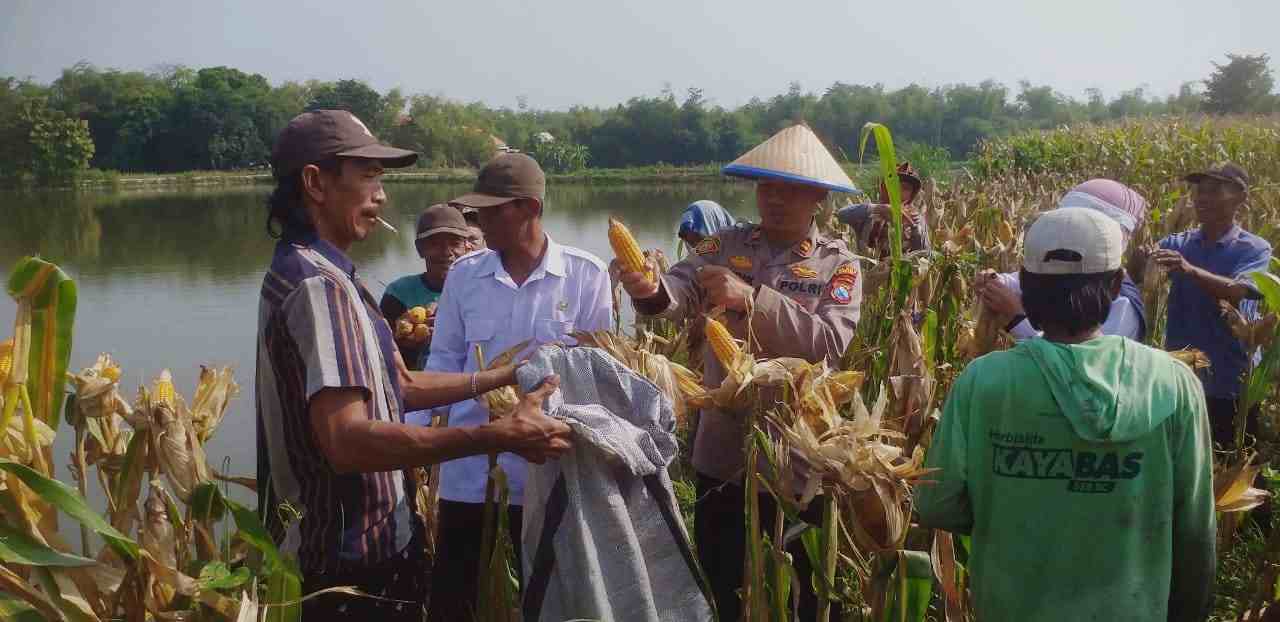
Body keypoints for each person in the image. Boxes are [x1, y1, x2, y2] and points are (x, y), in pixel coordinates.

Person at [255, 110, 573, 622]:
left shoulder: (327, 272)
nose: (381, 196)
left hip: (373, 546)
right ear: (315, 183)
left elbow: (398, 382)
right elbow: (348, 441)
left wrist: (503, 375)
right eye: (369, 177)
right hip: (346, 559)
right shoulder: (318, 288)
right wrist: (496, 436)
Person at [917, 208, 1216, 622]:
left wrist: (1009, 508)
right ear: (1114, 286)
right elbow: (1195, 530)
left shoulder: (983, 381)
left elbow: (936, 503)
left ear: (1025, 285)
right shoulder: (1174, 382)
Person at [617, 123, 861, 622]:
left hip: (798, 459)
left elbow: (829, 345)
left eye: (791, 189)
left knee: (805, 596)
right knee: (725, 585)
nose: (775, 199)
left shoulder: (840, 266)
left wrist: (753, 299)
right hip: (724, 452)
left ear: (818, 196)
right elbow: (676, 294)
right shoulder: (721, 246)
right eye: (767, 187)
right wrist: (647, 291)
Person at [426, 152, 613, 622]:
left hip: (548, 469)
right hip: (470, 469)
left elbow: (596, 374)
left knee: (550, 598)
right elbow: (443, 360)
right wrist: (416, 445)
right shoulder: (465, 276)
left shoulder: (586, 275)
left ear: (528, 208)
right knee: (456, 600)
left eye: (491, 211)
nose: (478, 222)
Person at [1153, 162, 1272, 449]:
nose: (1201, 198)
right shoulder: (1179, 242)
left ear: (1241, 198)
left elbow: (1239, 292)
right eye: (1199, 191)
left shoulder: (1254, 249)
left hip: (1229, 383)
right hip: (1181, 376)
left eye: (1214, 190)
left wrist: (1189, 269)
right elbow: (1144, 274)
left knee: (1229, 463)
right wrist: (1140, 258)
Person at [978, 179, 1150, 341]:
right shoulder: (1059, 267)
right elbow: (1014, 283)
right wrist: (993, 281)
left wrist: (1017, 318)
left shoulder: (1124, 306)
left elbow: (1081, 363)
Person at [380, 204, 473, 371]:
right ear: (419, 249)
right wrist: (404, 341)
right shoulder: (399, 292)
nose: (446, 252)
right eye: (436, 244)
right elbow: (381, 354)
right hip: (418, 387)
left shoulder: (480, 291)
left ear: (467, 247)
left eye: (455, 243)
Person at [836, 160, 930, 257]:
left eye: (906, 188)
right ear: (885, 187)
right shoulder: (869, 213)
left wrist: (914, 229)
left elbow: (926, 255)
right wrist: (879, 208)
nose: (899, 191)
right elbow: (841, 215)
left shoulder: (916, 219)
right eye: (894, 185)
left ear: (912, 194)